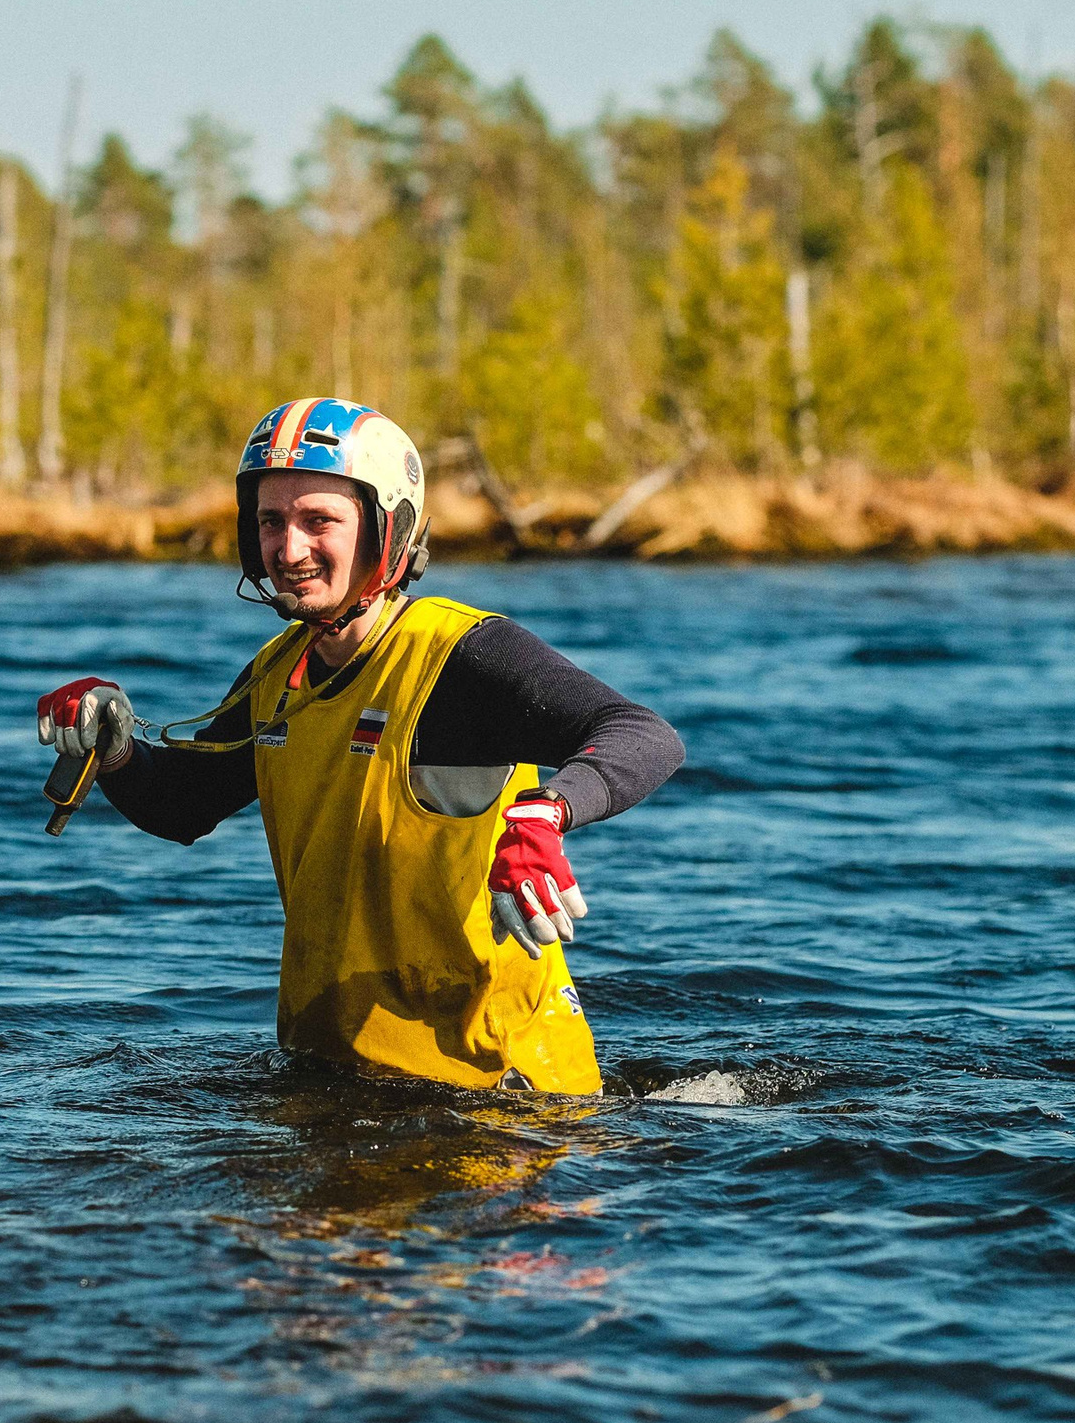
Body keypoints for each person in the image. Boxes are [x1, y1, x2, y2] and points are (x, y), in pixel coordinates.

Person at [36, 398, 682, 1094]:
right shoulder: (276, 673)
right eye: (271, 522)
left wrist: (547, 812)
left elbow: (644, 734)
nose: (289, 550)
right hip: (335, 1074)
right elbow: (182, 804)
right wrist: (117, 748)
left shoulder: (464, 655)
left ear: (387, 531)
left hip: (502, 1096)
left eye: (319, 521)